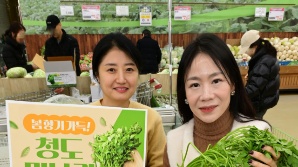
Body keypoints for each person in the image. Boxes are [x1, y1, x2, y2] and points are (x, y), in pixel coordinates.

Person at [163, 34, 280, 167]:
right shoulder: (173, 143)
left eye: (216, 81)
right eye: (195, 85)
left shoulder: (258, 135)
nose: (206, 96)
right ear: (184, 92)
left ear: (233, 84)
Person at [89, 32, 166, 167]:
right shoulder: (82, 117)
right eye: (111, 70)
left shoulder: (151, 119)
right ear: (97, 75)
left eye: (129, 69)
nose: (121, 79)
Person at [238, 30, 280, 119]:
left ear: (254, 47)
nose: (245, 52)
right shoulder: (266, 55)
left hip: (260, 101)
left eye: (246, 49)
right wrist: (252, 75)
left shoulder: (263, 62)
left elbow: (254, 88)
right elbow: (261, 78)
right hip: (265, 98)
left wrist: (238, 94)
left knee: (253, 122)